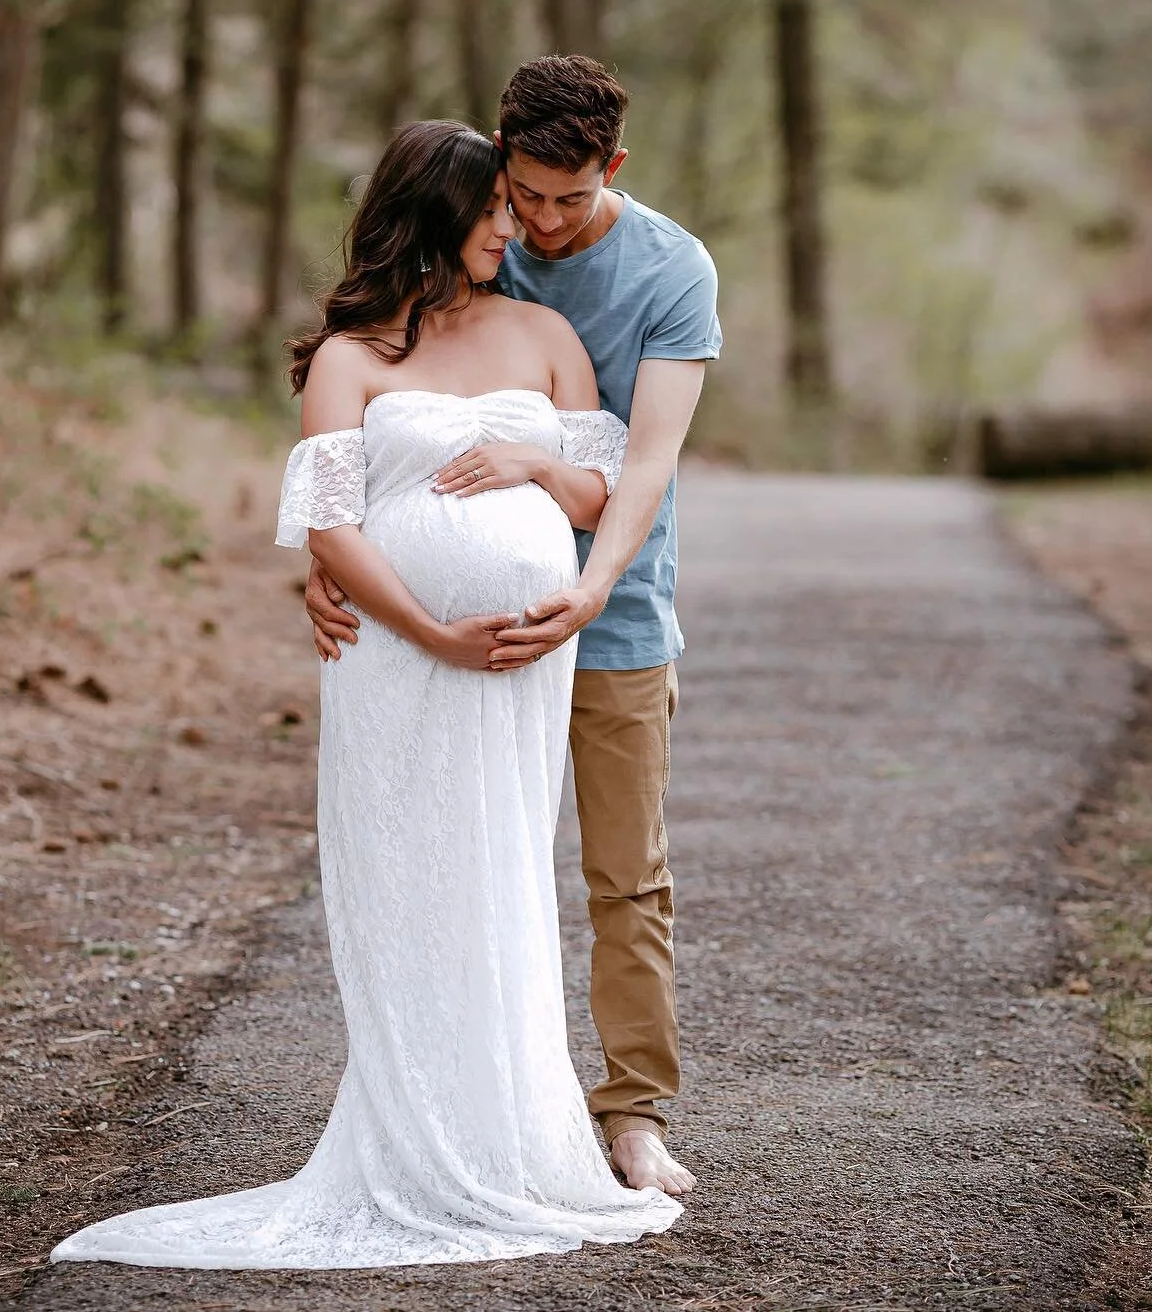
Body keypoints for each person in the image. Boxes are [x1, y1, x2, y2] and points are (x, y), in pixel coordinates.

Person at [50, 121, 681, 1270]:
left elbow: (599, 491)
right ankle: (421, 1140)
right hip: (397, 663)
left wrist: (536, 465)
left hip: (520, 670)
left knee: (503, 873)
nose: (511, 227)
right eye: (492, 209)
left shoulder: (544, 335)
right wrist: (433, 629)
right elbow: (330, 523)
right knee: (414, 881)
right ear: (436, 215)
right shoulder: (351, 356)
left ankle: (514, 1134)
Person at [308, 55, 721, 1197]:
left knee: (625, 871)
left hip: (613, 614)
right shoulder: (475, 232)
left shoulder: (671, 270)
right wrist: (322, 558)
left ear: (614, 168)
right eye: (521, 194)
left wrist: (592, 588)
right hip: (446, 644)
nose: (538, 220)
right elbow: (367, 433)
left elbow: (647, 458)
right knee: (466, 864)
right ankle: (463, 1110)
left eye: (567, 198)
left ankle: (633, 1113)